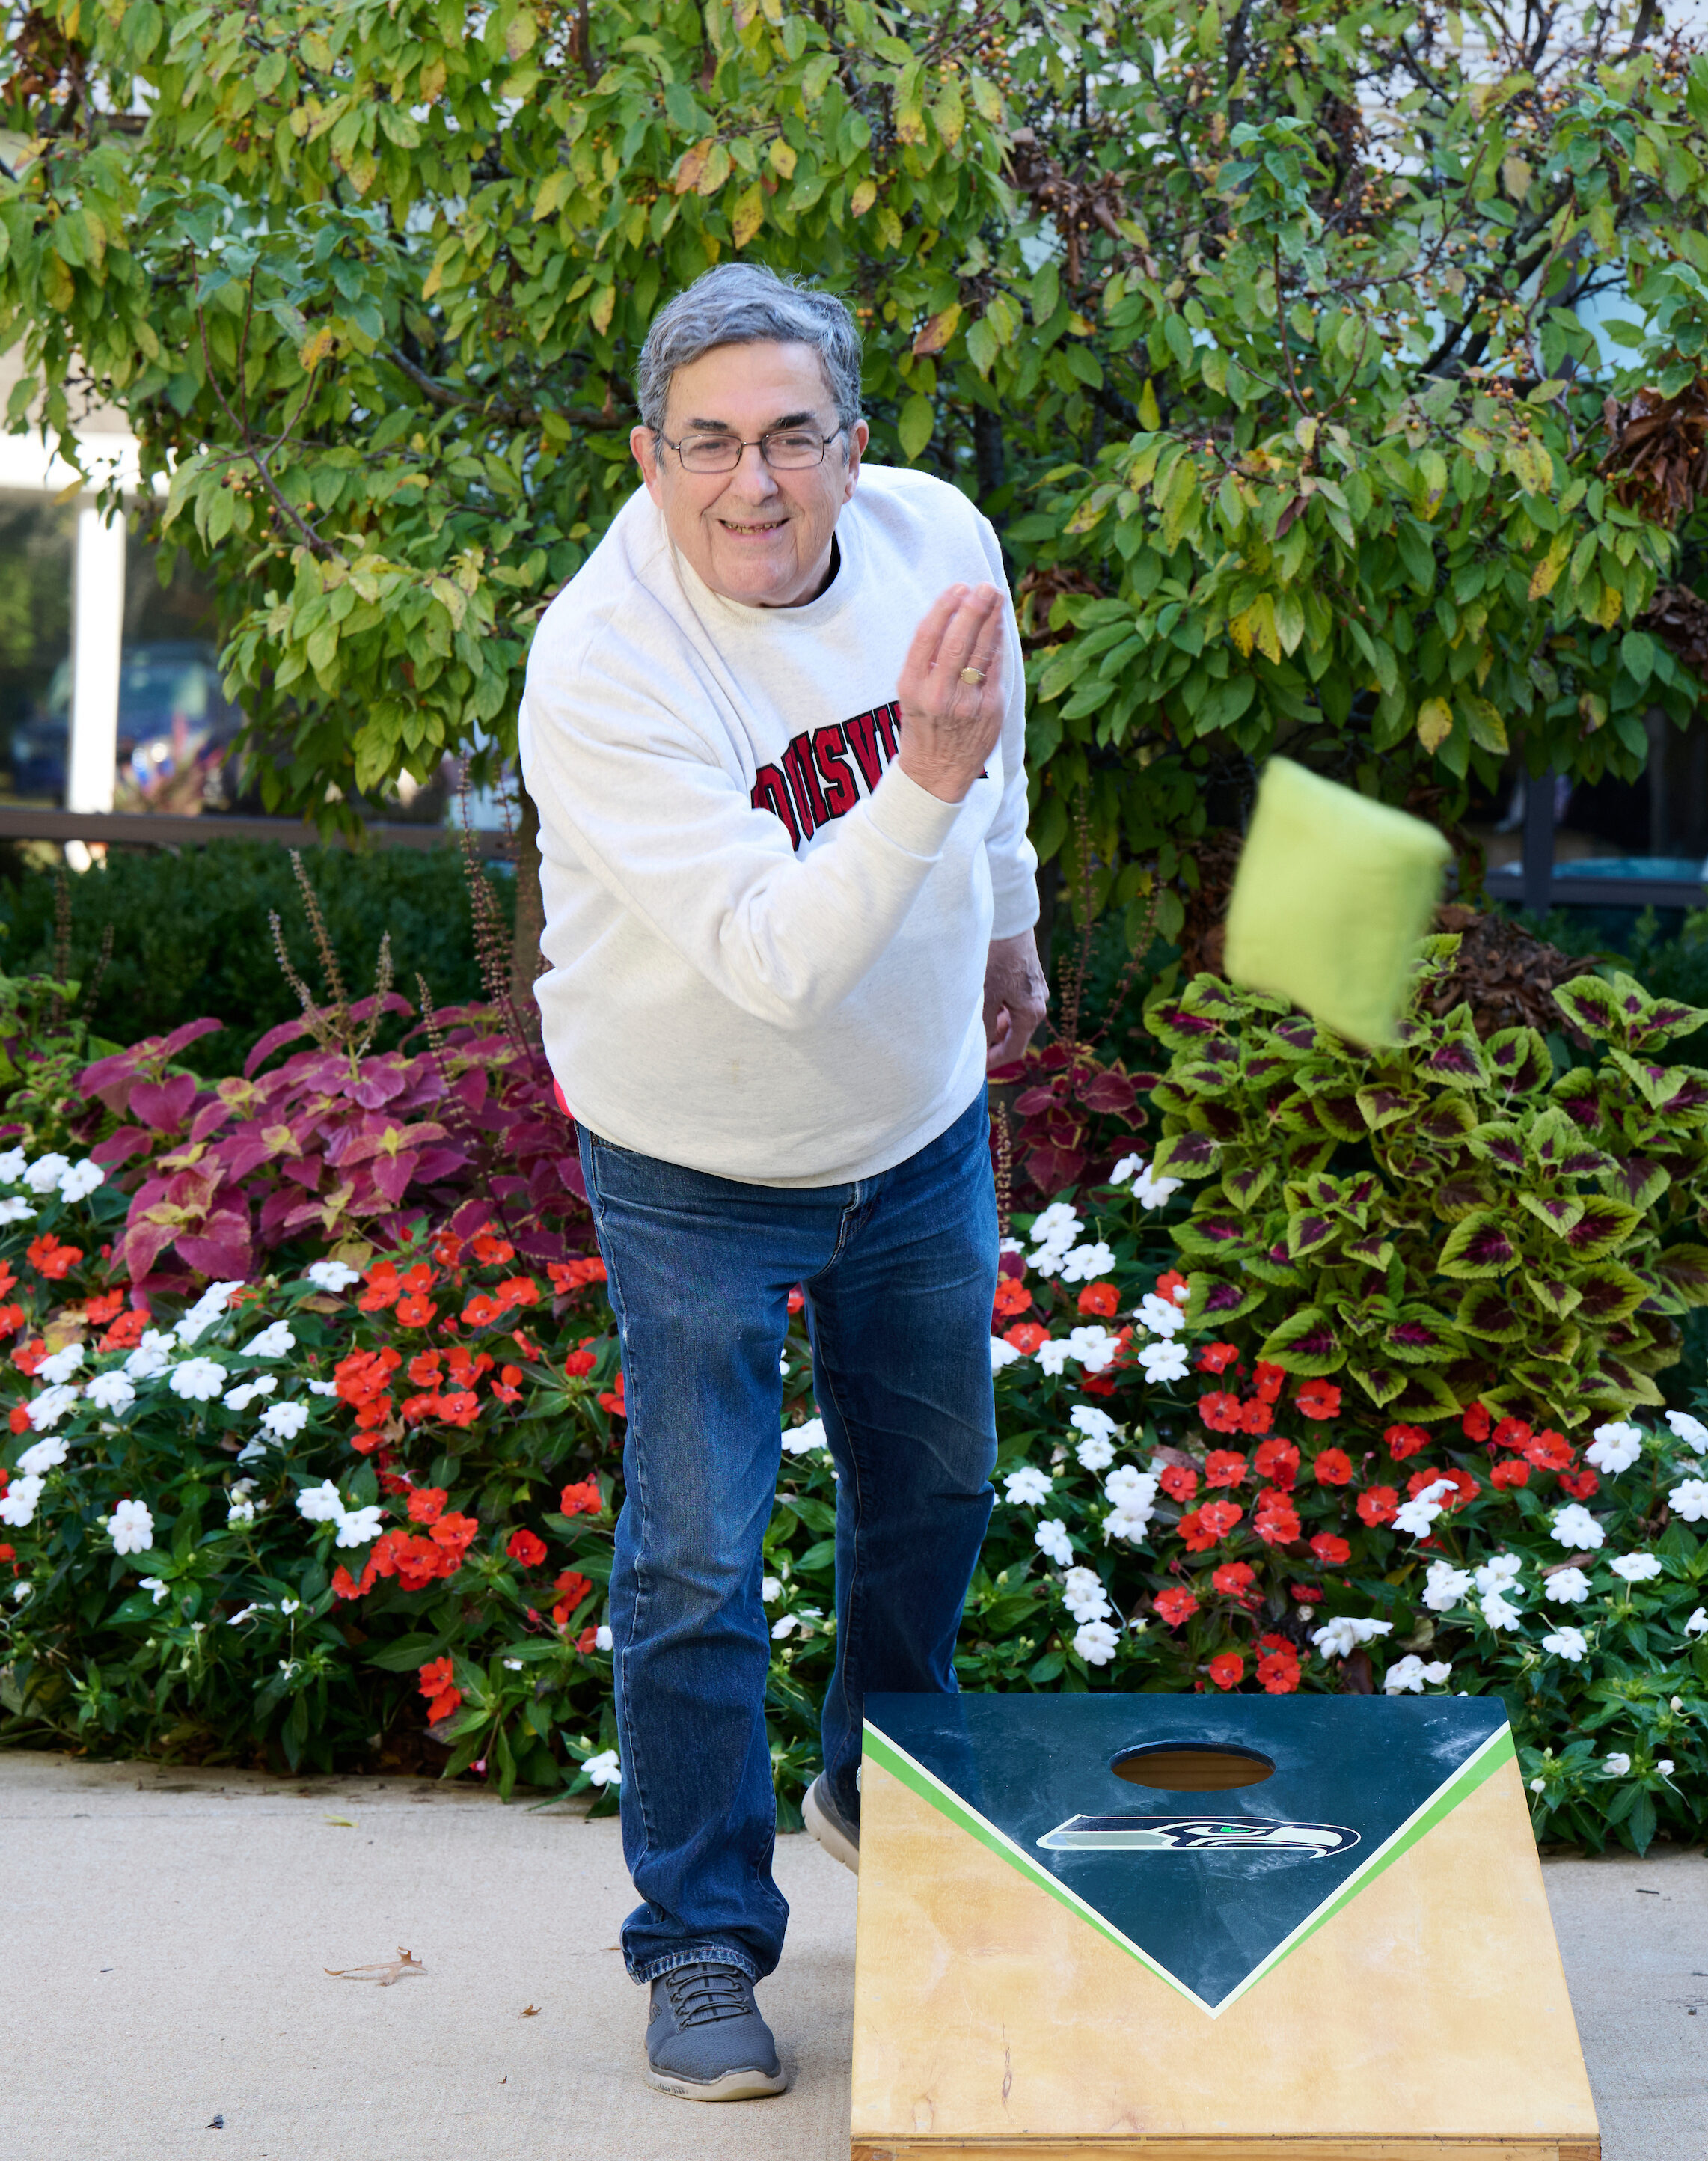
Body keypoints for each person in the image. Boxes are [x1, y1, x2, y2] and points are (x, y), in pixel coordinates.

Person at [519, 261, 1048, 2100]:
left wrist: (1014, 922)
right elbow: (773, 957)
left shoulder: (934, 535)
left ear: (855, 444)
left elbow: (999, 749)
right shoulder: (603, 662)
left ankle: (870, 1769)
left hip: (915, 1126)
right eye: (714, 444)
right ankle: (696, 1939)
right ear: (651, 456)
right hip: (695, 1158)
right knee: (693, 1557)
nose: (759, 484)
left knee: (940, 1481)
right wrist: (917, 778)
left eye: (794, 437)